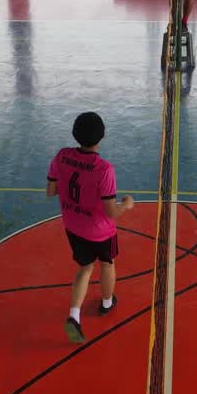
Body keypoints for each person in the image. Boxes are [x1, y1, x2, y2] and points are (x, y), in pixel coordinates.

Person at [46, 112, 135, 343]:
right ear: (102, 136)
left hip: (73, 226)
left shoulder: (62, 156)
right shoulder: (103, 169)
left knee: (85, 269)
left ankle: (74, 315)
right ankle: (107, 302)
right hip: (100, 232)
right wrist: (126, 204)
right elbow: (110, 212)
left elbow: (51, 191)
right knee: (107, 264)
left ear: (75, 134)